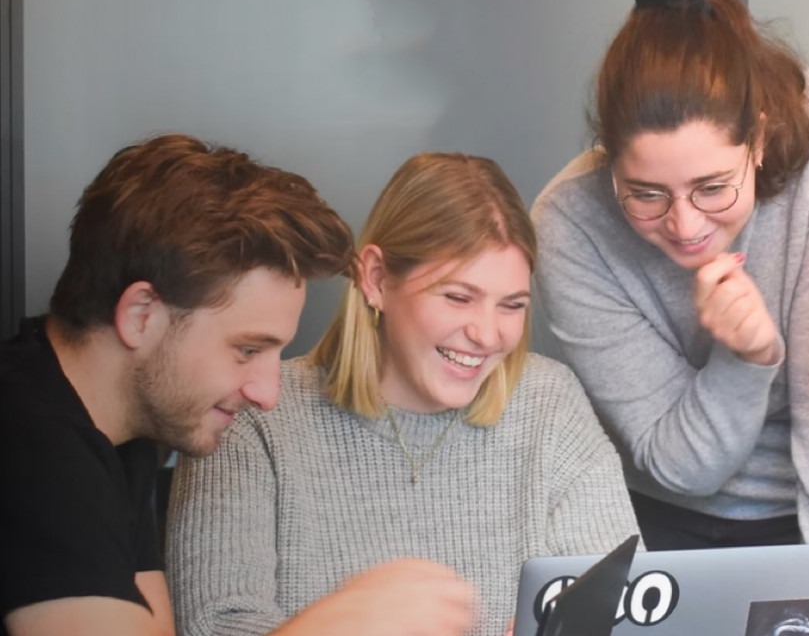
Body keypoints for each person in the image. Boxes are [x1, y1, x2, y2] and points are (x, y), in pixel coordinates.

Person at [532, 0, 809, 635]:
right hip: (665, 523)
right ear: (608, 162)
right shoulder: (570, 224)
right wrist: (746, 356)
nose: (685, 225)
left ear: (757, 140)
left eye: (712, 188)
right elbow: (683, 464)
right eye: (645, 193)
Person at [0, 134, 476, 636]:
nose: (267, 394)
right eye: (247, 350)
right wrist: (340, 625)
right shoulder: (27, 443)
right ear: (142, 315)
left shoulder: (117, 435)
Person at [166, 152, 640, 636]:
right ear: (375, 278)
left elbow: (627, 607)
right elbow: (217, 627)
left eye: (511, 305)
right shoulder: (250, 415)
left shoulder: (549, 404)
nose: (487, 334)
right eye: (458, 296)